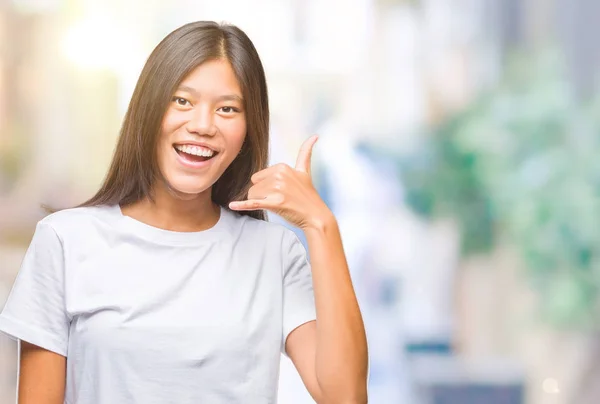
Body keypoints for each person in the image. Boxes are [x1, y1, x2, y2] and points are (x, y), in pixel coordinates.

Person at [0, 21, 368, 403]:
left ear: (248, 130)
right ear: (148, 109)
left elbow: (345, 396)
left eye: (227, 108)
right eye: (182, 101)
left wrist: (321, 225)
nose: (203, 125)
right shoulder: (66, 240)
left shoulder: (274, 254)